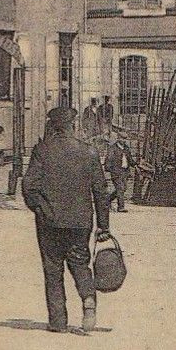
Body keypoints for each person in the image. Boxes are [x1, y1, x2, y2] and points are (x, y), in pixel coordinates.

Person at [22, 106, 111, 334]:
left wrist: (40, 208)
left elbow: (29, 186)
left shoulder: (42, 151)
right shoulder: (89, 152)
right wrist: (103, 225)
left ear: (53, 126)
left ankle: (58, 322)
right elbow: (101, 191)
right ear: (73, 125)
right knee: (80, 264)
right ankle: (88, 298)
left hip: (49, 222)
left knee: (52, 270)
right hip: (80, 222)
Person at [102, 128, 135, 213]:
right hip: (116, 172)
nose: (124, 140)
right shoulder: (113, 148)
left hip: (125, 172)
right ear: (118, 138)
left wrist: (135, 164)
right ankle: (121, 207)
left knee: (123, 189)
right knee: (120, 188)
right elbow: (108, 160)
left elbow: (130, 159)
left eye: (125, 139)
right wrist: (109, 169)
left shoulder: (126, 148)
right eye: (122, 138)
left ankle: (107, 199)